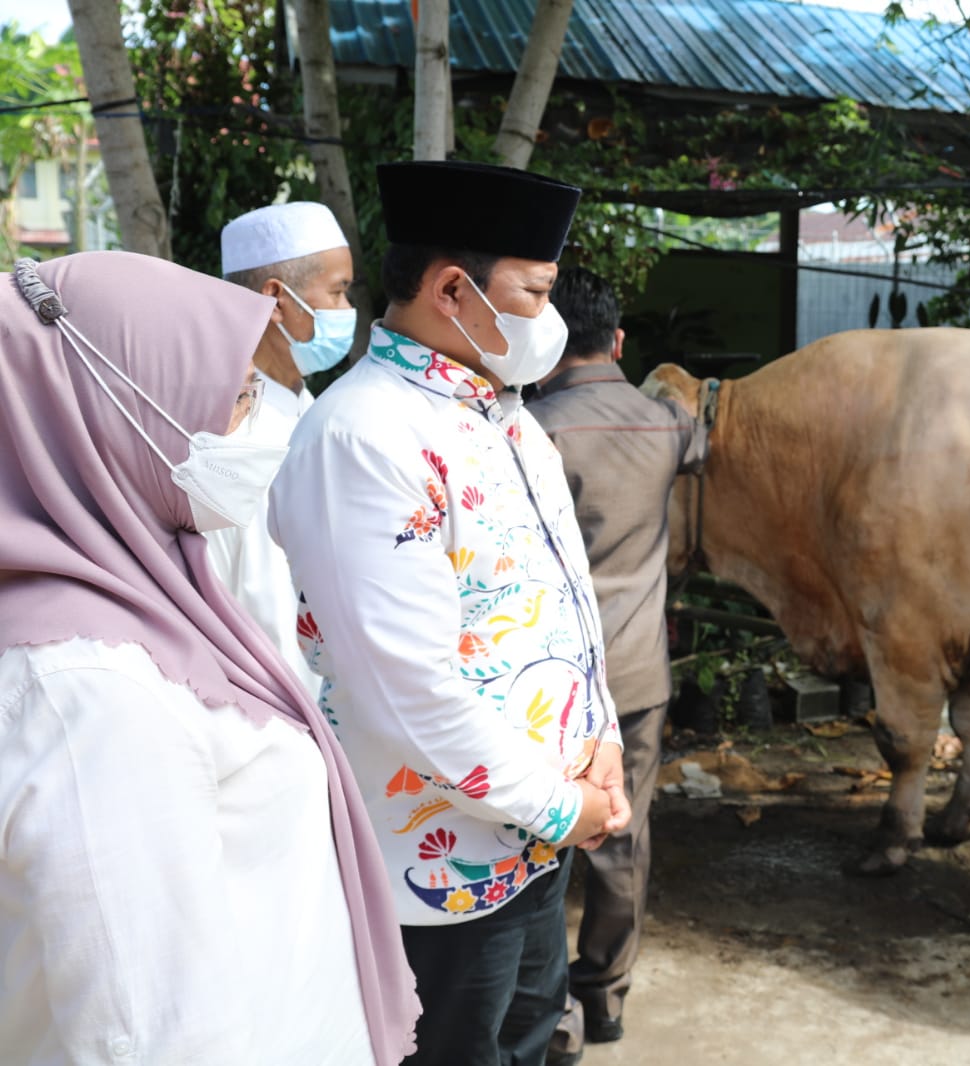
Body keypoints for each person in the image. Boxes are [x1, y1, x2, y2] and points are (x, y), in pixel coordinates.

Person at [0, 251, 419, 1064]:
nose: (247, 424)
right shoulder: (88, 690)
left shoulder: (145, 597)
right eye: (232, 400)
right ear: (113, 418)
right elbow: (148, 1035)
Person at [269, 160, 629, 1066]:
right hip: (439, 867)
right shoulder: (364, 435)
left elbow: (566, 603)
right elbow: (406, 689)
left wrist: (605, 737)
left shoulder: (505, 417)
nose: (547, 322)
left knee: (531, 1037)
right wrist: (560, 803)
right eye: (536, 293)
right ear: (451, 289)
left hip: (536, 837)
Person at [524, 267, 707, 1064]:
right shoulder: (665, 426)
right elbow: (700, 428)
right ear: (619, 340)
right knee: (621, 837)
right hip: (636, 677)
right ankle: (604, 1000)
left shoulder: (527, 428)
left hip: (543, 680)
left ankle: (549, 1017)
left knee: (534, 841)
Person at [213, 201, 356, 696]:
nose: (347, 312)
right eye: (338, 292)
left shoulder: (312, 409)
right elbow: (263, 608)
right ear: (276, 299)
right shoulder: (232, 435)